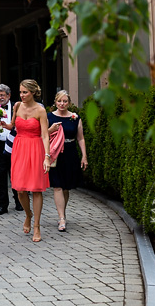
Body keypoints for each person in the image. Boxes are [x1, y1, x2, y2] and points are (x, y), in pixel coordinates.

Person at [10, 79, 56, 243]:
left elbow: (45, 135)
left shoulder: (40, 110)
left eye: (25, 92)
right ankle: (28, 214)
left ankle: (36, 225)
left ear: (33, 93)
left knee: (36, 189)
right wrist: (0, 122)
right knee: (20, 190)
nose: (21, 95)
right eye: (20, 92)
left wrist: (47, 156)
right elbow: (12, 126)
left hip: (36, 148)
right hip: (19, 148)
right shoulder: (17, 106)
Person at [48, 90, 89, 233]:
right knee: (57, 186)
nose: (62, 104)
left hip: (70, 153)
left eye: (65, 101)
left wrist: (84, 156)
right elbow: (42, 135)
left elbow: (81, 138)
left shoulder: (75, 118)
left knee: (66, 188)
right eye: (59, 101)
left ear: (69, 103)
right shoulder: (49, 117)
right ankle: (61, 218)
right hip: (55, 154)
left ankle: (62, 213)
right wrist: (50, 130)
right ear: (55, 102)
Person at [0, 84, 22, 215]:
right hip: (0, 146)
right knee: (1, 177)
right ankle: (2, 205)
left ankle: (19, 202)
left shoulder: (17, 107)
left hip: (15, 145)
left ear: (8, 95)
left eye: (2, 95)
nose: (0, 98)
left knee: (16, 175)